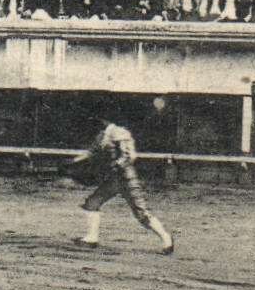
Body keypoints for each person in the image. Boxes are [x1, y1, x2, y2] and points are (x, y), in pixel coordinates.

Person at [66, 102, 175, 255]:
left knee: (140, 213)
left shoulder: (120, 132)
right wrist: (73, 161)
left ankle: (166, 238)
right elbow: (90, 153)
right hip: (113, 179)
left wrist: (116, 165)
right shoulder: (102, 135)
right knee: (92, 203)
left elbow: (129, 156)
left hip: (125, 177)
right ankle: (91, 238)